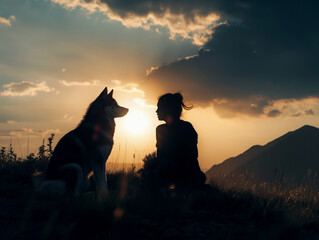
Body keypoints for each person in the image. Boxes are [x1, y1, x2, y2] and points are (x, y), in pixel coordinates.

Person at [155, 93, 206, 188]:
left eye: (159, 107)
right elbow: (193, 156)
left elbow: (161, 157)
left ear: (168, 109)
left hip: (180, 176)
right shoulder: (187, 127)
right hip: (190, 176)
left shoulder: (161, 129)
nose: (156, 111)